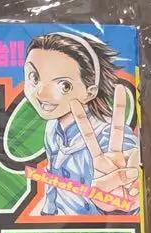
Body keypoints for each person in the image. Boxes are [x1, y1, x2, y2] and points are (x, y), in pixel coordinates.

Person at [23, 31, 140, 216]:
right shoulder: (53, 128)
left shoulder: (108, 136)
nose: (41, 93)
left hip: (91, 229)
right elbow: (53, 180)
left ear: (90, 92)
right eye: (34, 78)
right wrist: (46, 214)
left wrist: (126, 189)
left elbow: (128, 176)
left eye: (64, 85)